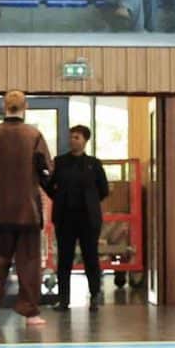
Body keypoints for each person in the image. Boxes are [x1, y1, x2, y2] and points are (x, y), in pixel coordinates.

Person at [0, 91, 51, 326]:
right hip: (27, 210)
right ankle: (30, 311)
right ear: (25, 106)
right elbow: (45, 169)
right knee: (28, 261)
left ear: (4, 106)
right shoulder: (33, 135)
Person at [47, 124, 108, 309]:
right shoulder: (60, 162)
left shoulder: (94, 164)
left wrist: (91, 200)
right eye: (71, 137)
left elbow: (103, 189)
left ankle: (95, 295)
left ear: (85, 141)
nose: (73, 140)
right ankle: (64, 299)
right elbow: (50, 185)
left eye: (77, 137)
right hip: (65, 217)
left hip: (88, 218)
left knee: (91, 257)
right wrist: (59, 198)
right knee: (64, 258)